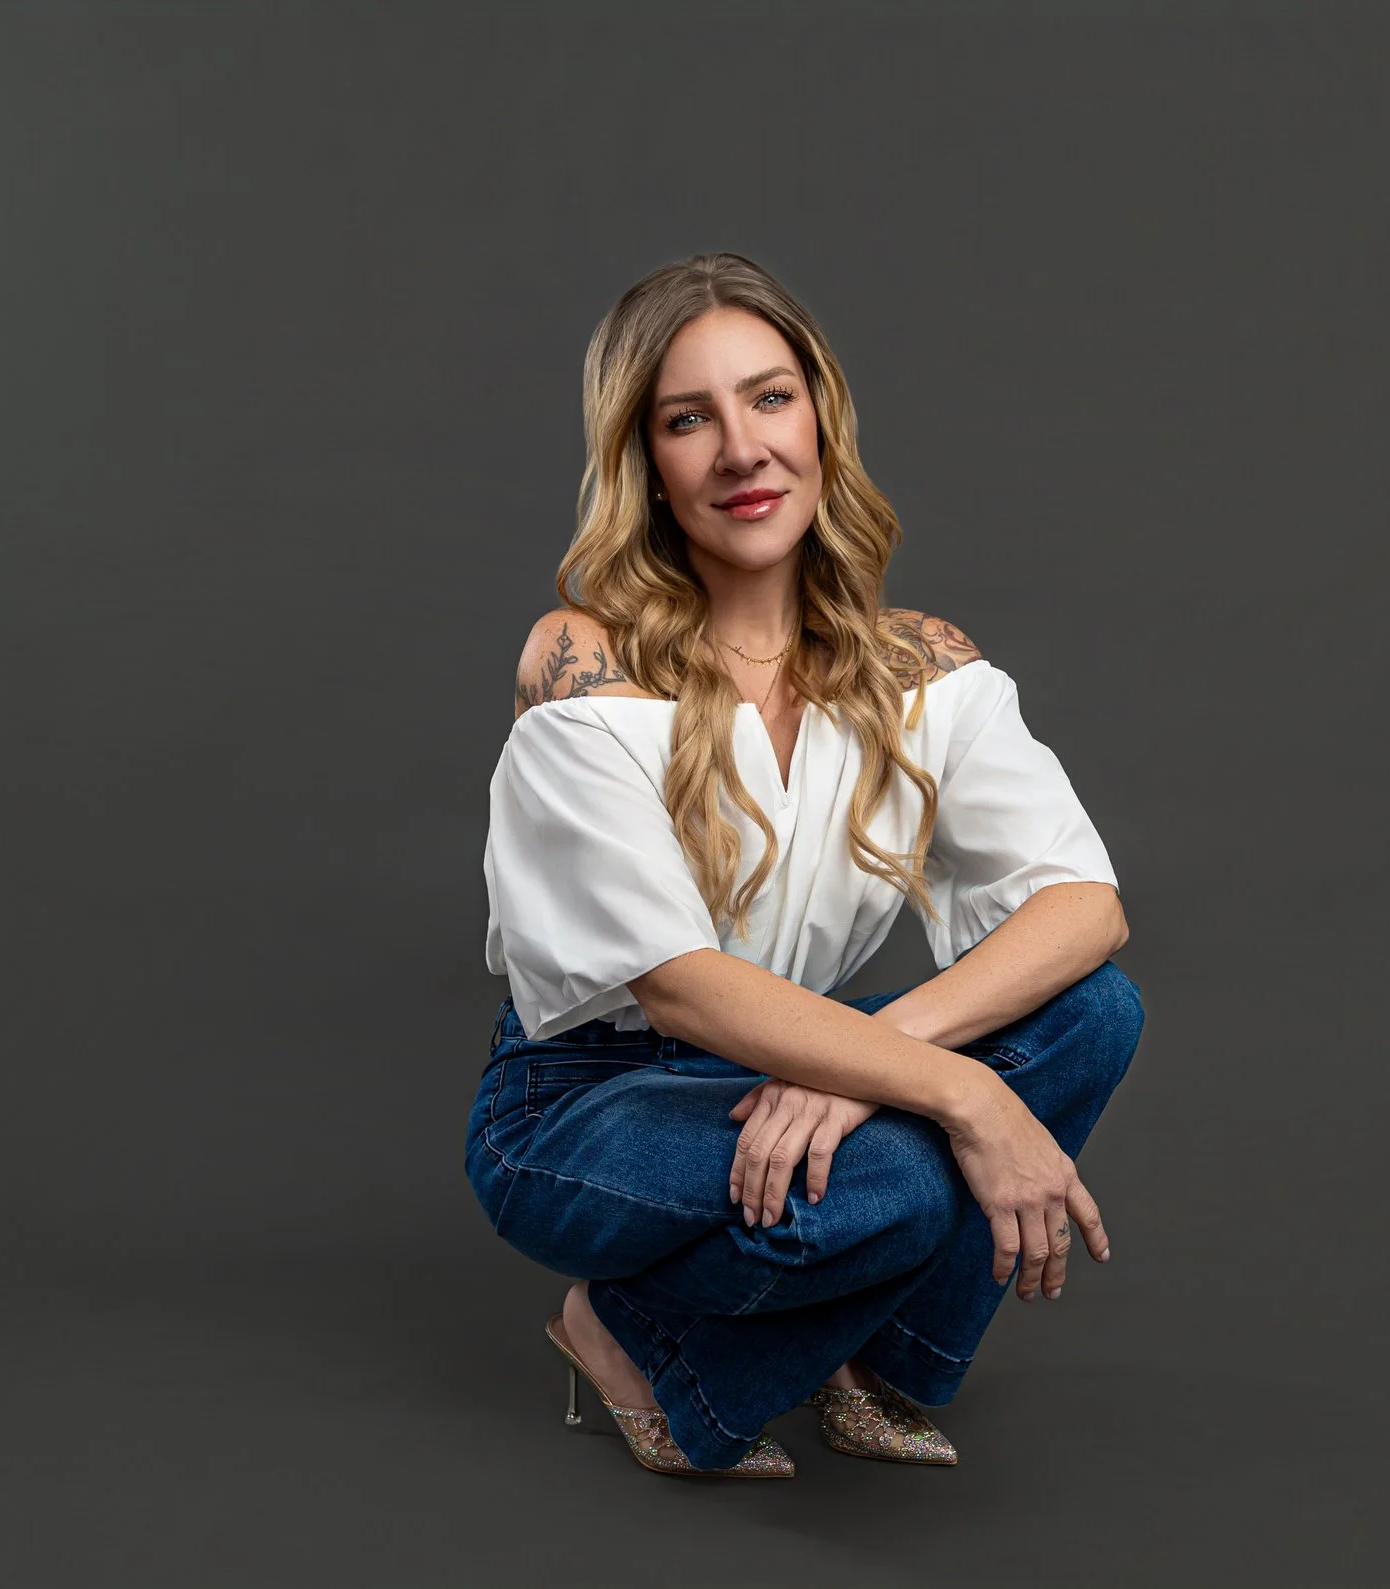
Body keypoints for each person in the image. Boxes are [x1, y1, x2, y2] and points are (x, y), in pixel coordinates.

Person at [467, 251, 1145, 1477]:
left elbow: (1085, 906)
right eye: (688, 419)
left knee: (1094, 1013)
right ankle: (629, 1341)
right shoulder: (584, 659)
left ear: (821, 420)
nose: (742, 450)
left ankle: (875, 1363)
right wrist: (963, 1094)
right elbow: (676, 982)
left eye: (769, 398)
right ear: (646, 463)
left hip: (792, 1063)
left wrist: (876, 1059)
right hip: (583, 1102)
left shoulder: (921, 666)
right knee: (901, 1176)